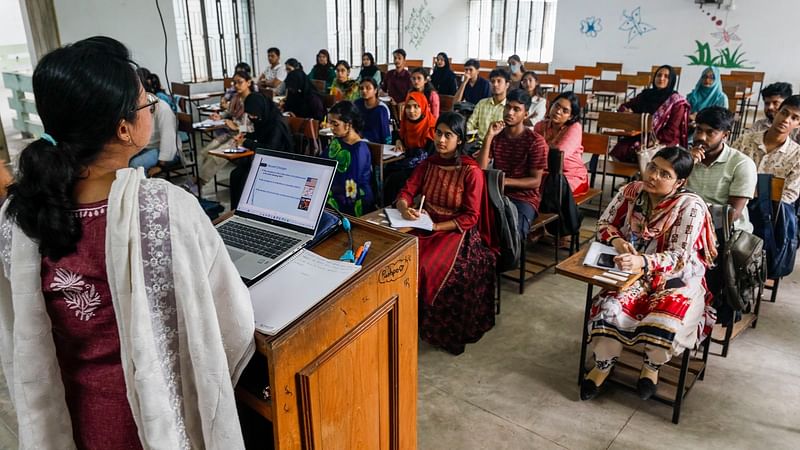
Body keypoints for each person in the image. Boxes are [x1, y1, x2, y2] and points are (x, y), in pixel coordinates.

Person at [0, 36, 254, 449]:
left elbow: (17, 332)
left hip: (73, 417)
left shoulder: (19, 216)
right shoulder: (167, 208)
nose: (151, 107)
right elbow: (232, 322)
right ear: (123, 129)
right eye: (146, 102)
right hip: (153, 423)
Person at [581, 146, 717, 402]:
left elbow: (679, 257)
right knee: (610, 308)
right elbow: (604, 223)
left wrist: (642, 261)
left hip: (676, 275)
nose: (653, 176)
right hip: (634, 270)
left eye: (665, 174)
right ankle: (603, 366)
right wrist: (619, 242)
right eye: (653, 167)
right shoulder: (631, 192)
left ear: (680, 182)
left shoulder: (690, 206)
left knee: (668, 321)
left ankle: (651, 367)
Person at [395, 112, 498, 355]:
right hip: (424, 223)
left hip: (456, 230)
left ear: (460, 140)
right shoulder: (428, 163)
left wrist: (436, 227)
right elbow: (407, 190)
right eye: (438, 133)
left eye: (448, 135)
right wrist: (403, 206)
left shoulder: (471, 171)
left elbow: (471, 216)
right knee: (399, 257)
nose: (441, 140)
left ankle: (432, 330)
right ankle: (404, 319)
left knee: (427, 266)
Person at [476, 88, 548, 236]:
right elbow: (480, 168)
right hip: (497, 193)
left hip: (524, 198)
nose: (510, 113)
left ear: (525, 114)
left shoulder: (535, 141)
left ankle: (510, 259)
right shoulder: (497, 136)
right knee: (475, 221)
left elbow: (535, 181)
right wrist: (489, 137)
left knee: (512, 232)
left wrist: (504, 181)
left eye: (516, 109)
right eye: (508, 107)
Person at [228, 70, 294, 207]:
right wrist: (245, 136)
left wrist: (246, 142)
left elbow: (271, 149)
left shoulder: (276, 123)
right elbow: (258, 135)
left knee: (246, 178)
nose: (252, 118)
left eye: (253, 115)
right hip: (264, 159)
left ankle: (247, 209)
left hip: (279, 162)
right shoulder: (263, 118)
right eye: (250, 115)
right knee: (236, 174)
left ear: (260, 109)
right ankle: (235, 211)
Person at [686, 106, 757, 232]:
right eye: (699, 130)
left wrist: (690, 210)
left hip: (725, 232)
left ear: (725, 135)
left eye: (710, 132)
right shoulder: (687, 157)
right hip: (687, 224)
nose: (701, 137)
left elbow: (731, 215)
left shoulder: (741, 164)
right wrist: (686, 164)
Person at [610, 65, 690, 163]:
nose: (661, 78)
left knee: (637, 149)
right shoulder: (646, 94)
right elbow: (624, 106)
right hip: (642, 135)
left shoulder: (676, 102)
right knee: (618, 150)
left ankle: (643, 174)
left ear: (672, 80)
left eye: (666, 77)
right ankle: (633, 176)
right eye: (659, 75)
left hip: (665, 140)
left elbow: (671, 131)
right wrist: (626, 111)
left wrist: (653, 140)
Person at [732, 94, 800, 204]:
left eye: (794, 118)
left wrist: (762, 205)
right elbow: (727, 170)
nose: (786, 120)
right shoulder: (745, 141)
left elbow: (790, 194)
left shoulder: (797, 155)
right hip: (735, 201)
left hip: (769, 213)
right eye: (784, 113)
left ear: (798, 124)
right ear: (777, 112)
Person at [196, 69, 253, 190]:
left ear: (249, 83)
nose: (236, 85)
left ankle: (199, 184)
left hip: (243, 137)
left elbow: (253, 127)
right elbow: (229, 112)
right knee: (205, 151)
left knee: (216, 156)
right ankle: (197, 181)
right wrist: (220, 116)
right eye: (234, 83)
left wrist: (237, 127)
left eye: (240, 82)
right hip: (231, 133)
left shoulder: (253, 100)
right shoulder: (236, 97)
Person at [323, 101, 374, 216]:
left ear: (348, 124)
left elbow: (351, 185)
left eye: (335, 124)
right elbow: (323, 163)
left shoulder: (359, 149)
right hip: (336, 189)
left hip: (354, 197)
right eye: (330, 123)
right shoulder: (337, 141)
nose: (331, 128)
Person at [384, 91, 436, 203]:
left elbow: (430, 157)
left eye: (416, 106)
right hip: (408, 162)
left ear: (423, 107)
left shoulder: (432, 127)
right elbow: (398, 134)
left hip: (424, 167)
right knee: (387, 170)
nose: (411, 111)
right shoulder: (406, 123)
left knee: (396, 179)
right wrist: (398, 141)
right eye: (408, 107)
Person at [129, 67, 181, 176]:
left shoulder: (162, 108)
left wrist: (161, 166)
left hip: (168, 152)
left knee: (135, 164)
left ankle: (142, 192)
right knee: (122, 161)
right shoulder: (139, 107)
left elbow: (169, 139)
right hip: (148, 148)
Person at [534, 91, 589, 196]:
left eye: (565, 111)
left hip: (570, 175)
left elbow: (558, 155)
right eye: (556, 106)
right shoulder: (540, 126)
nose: (558, 111)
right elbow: (531, 149)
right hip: (544, 172)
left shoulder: (574, 128)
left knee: (547, 190)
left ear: (570, 116)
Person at [467, 68, 510, 148]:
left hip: (498, 147)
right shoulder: (482, 103)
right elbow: (471, 123)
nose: (495, 84)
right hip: (478, 144)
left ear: (507, 84)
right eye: (492, 81)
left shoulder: (510, 108)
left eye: (499, 81)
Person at [354, 78, 392, 144]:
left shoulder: (381, 109)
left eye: (368, 88)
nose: (364, 91)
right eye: (361, 88)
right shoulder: (357, 104)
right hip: (358, 139)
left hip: (376, 144)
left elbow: (385, 133)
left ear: (375, 90)